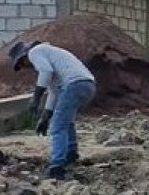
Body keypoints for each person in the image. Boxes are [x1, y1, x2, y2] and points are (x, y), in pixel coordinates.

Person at [10, 40, 97, 180]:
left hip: (74, 85)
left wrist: (35, 98)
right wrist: (45, 118)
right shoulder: (51, 57)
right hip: (87, 86)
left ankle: (57, 167)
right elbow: (54, 92)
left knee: (57, 126)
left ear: (24, 57)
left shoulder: (35, 52)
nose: (25, 68)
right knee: (66, 121)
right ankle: (71, 154)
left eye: (22, 64)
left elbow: (45, 72)